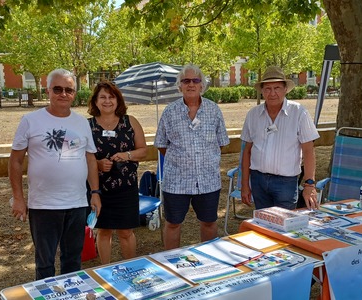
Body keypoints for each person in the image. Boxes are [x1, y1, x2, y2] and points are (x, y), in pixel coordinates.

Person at [8, 68, 101, 280]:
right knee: (45, 263)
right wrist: (18, 198)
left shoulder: (81, 123)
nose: (63, 94)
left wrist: (95, 192)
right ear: (47, 90)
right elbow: (15, 160)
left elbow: (90, 159)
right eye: (57, 89)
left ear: (75, 93)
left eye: (69, 90)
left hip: (77, 204)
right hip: (43, 206)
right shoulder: (30, 120)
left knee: (72, 260)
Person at [154, 63, 229, 250]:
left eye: (195, 80)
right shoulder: (169, 112)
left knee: (209, 222)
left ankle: (211, 260)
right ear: (179, 85)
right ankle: (171, 262)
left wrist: (204, 157)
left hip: (208, 180)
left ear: (202, 85)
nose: (191, 84)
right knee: (172, 223)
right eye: (186, 80)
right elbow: (162, 145)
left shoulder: (214, 110)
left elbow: (221, 142)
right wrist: (182, 160)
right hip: (176, 181)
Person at [241, 66, 320, 211]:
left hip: (286, 182)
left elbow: (308, 151)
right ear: (262, 91)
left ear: (285, 89)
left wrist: (309, 184)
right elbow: (247, 151)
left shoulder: (299, 113)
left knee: (285, 225)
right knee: (263, 224)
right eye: (267, 89)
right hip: (258, 180)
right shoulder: (253, 115)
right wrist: (245, 184)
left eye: (277, 88)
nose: (272, 93)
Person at [87, 81, 147, 264]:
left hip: (125, 187)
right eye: (102, 97)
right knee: (103, 231)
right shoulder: (87, 126)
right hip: (98, 189)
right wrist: (97, 164)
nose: (107, 101)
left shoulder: (130, 122)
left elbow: (144, 151)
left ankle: (131, 267)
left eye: (111, 97)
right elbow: (80, 157)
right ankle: (105, 269)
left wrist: (127, 155)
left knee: (126, 231)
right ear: (95, 102)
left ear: (118, 100)